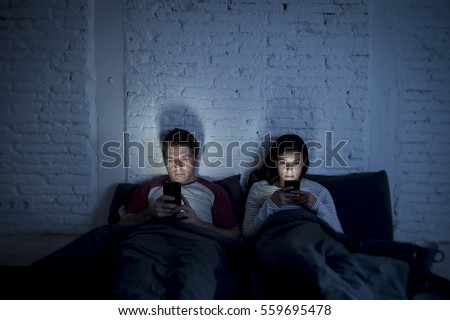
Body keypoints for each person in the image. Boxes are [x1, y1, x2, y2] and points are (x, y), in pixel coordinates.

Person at [119, 128, 241, 239]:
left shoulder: (214, 191)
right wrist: (148, 214)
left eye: (184, 159)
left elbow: (234, 234)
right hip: (153, 241)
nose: (177, 166)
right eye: (171, 159)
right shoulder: (147, 188)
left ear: (196, 158)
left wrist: (198, 223)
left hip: (196, 245)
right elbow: (119, 226)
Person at [242, 133, 343, 238]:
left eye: (295, 163)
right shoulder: (258, 189)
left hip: (311, 237)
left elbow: (339, 234)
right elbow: (247, 234)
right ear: (275, 161)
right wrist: (271, 204)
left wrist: (316, 205)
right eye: (283, 162)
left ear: (303, 161)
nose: (289, 169)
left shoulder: (320, 191)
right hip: (278, 239)